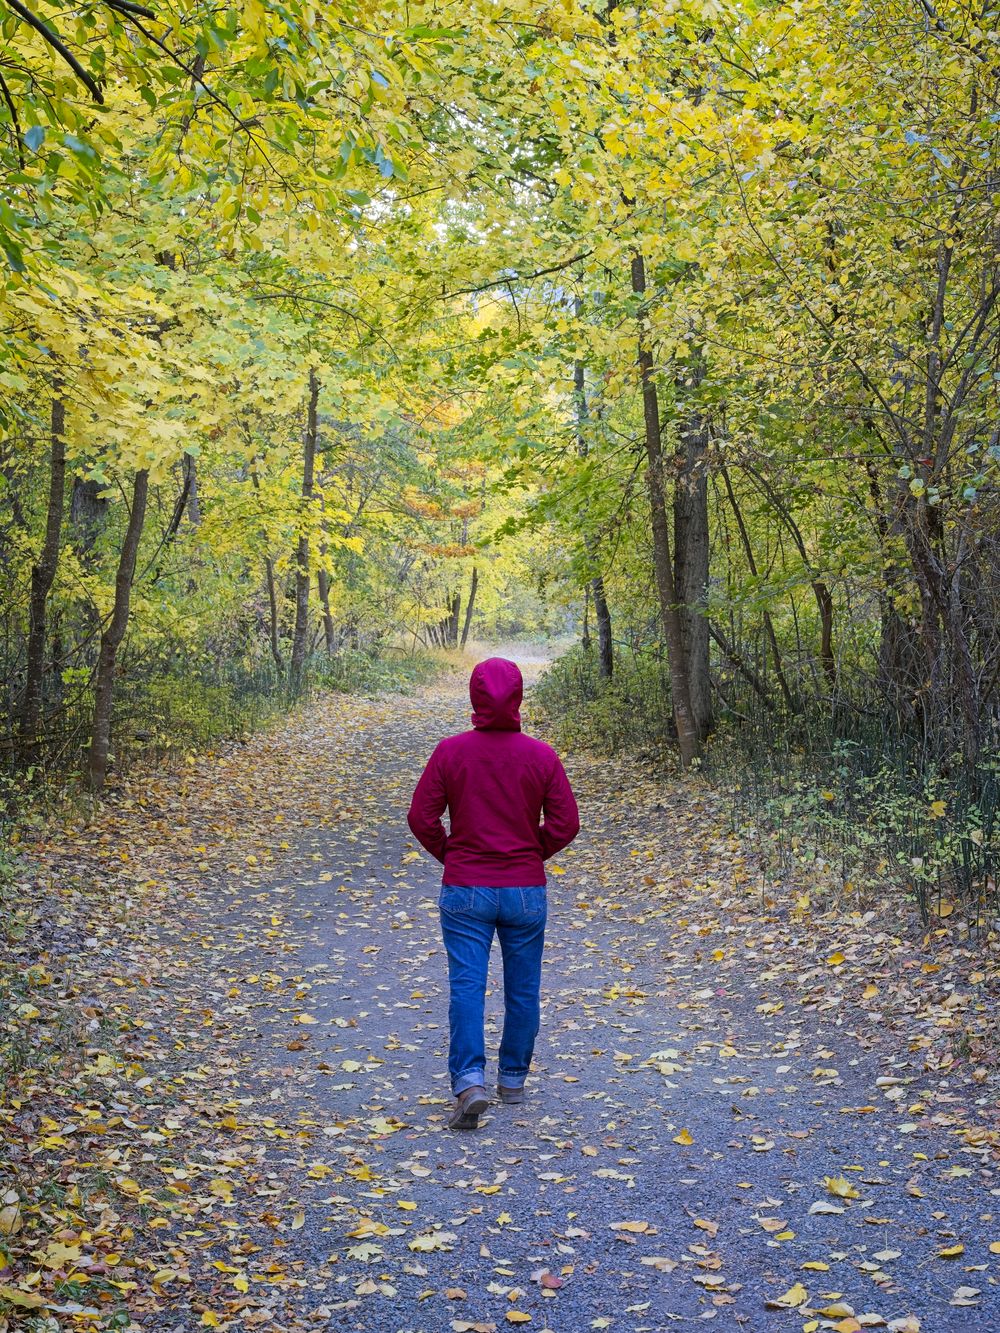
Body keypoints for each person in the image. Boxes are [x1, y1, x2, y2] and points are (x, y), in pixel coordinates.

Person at [407, 657, 580, 1131]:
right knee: (523, 988)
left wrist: (454, 856)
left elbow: (421, 817)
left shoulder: (450, 752)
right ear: (519, 696)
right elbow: (567, 824)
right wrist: (530, 855)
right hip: (524, 889)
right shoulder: (541, 756)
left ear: (474, 697)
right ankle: (514, 1081)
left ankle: (470, 1083)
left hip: (466, 888)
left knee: (467, 985)